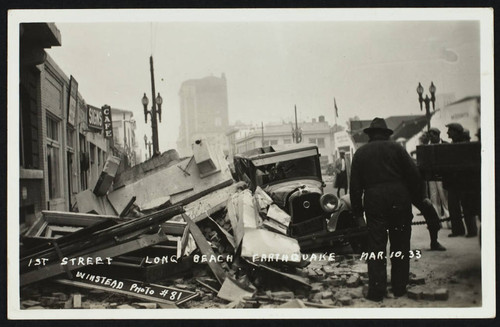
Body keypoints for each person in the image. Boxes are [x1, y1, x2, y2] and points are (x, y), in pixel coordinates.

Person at [350, 118, 422, 301]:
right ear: (386, 134)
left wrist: (358, 214)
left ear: (370, 135)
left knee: (376, 246)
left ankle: (377, 291)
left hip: (374, 201)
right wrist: (418, 200)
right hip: (399, 198)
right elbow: (414, 176)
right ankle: (399, 287)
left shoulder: (360, 153)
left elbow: (355, 187)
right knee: (400, 244)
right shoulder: (397, 149)